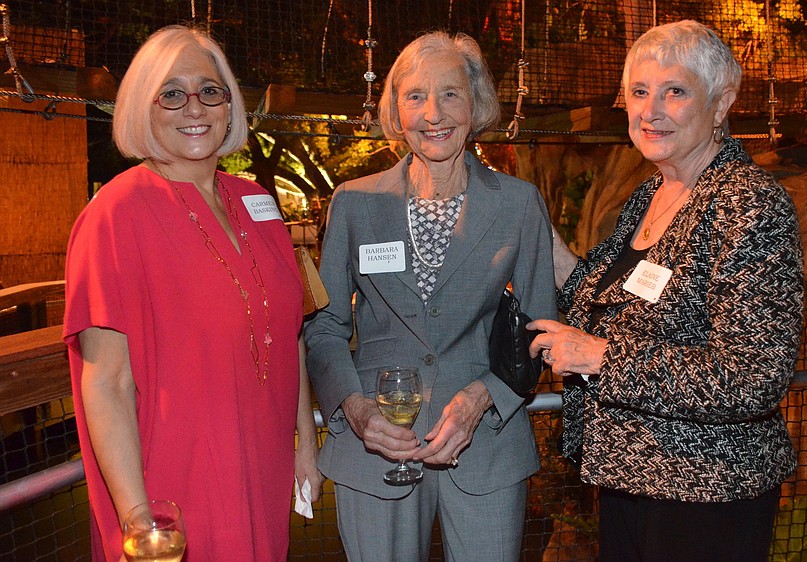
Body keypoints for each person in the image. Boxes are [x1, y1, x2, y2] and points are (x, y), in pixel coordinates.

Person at [529, 20, 803, 562]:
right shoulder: (651, 193)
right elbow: (597, 296)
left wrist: (601, 357)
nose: (649, 111)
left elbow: (753, 378)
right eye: (638, 92)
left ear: (721, 103)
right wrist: (534, 227)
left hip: (707, 488)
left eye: (674, 91)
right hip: (629, 476)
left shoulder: (748, 204)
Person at [63, 25, 322, 562]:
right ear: (143, 107)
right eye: (172, 94)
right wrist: (141, 524)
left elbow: (290, 333)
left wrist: (305, 446)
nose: (194, 108)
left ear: (229, 105)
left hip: (264, 469)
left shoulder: (256, 201)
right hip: (175, 489)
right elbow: (106, 384)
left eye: (209, 90)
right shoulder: (114, 215)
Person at [304, 31, 557, 562]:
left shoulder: (519, 204)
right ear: (396, 112)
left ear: (475, 104)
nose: (433, 114)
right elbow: (325, 328)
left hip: (487, 444)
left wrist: (481, 398)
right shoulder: (353, 203)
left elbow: (539, 327)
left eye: (450, 94)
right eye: (415, 96)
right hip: (375, 447)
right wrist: (354, 409)